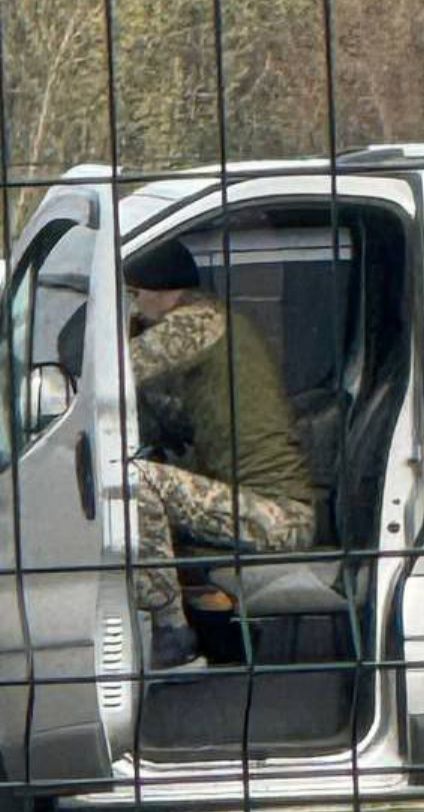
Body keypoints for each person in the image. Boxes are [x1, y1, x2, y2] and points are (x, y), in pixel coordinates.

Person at [126, 240, 316, 668]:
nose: (134, 308)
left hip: (278, 517)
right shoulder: (213, 324)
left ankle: (171, 632)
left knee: (134, 481)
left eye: (134, 295)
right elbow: (179, 420)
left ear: (162, 289)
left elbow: (115, 370)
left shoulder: (199, 322)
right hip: (265, 507)